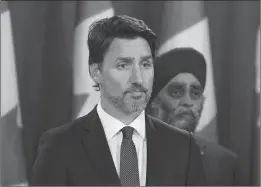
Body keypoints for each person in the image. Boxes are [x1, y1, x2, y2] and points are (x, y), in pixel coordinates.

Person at [31, 15, 206, 186]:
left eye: (145, 65)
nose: (138, 79)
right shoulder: (60, 146)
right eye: (123, 65)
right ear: (96, 72)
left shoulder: (184, 147)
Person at [148, 47, 239, 186]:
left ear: (202, 102)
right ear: (154, 101)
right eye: (177, 92)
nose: (187, 102)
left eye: (195, 93)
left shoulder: (223, 163)